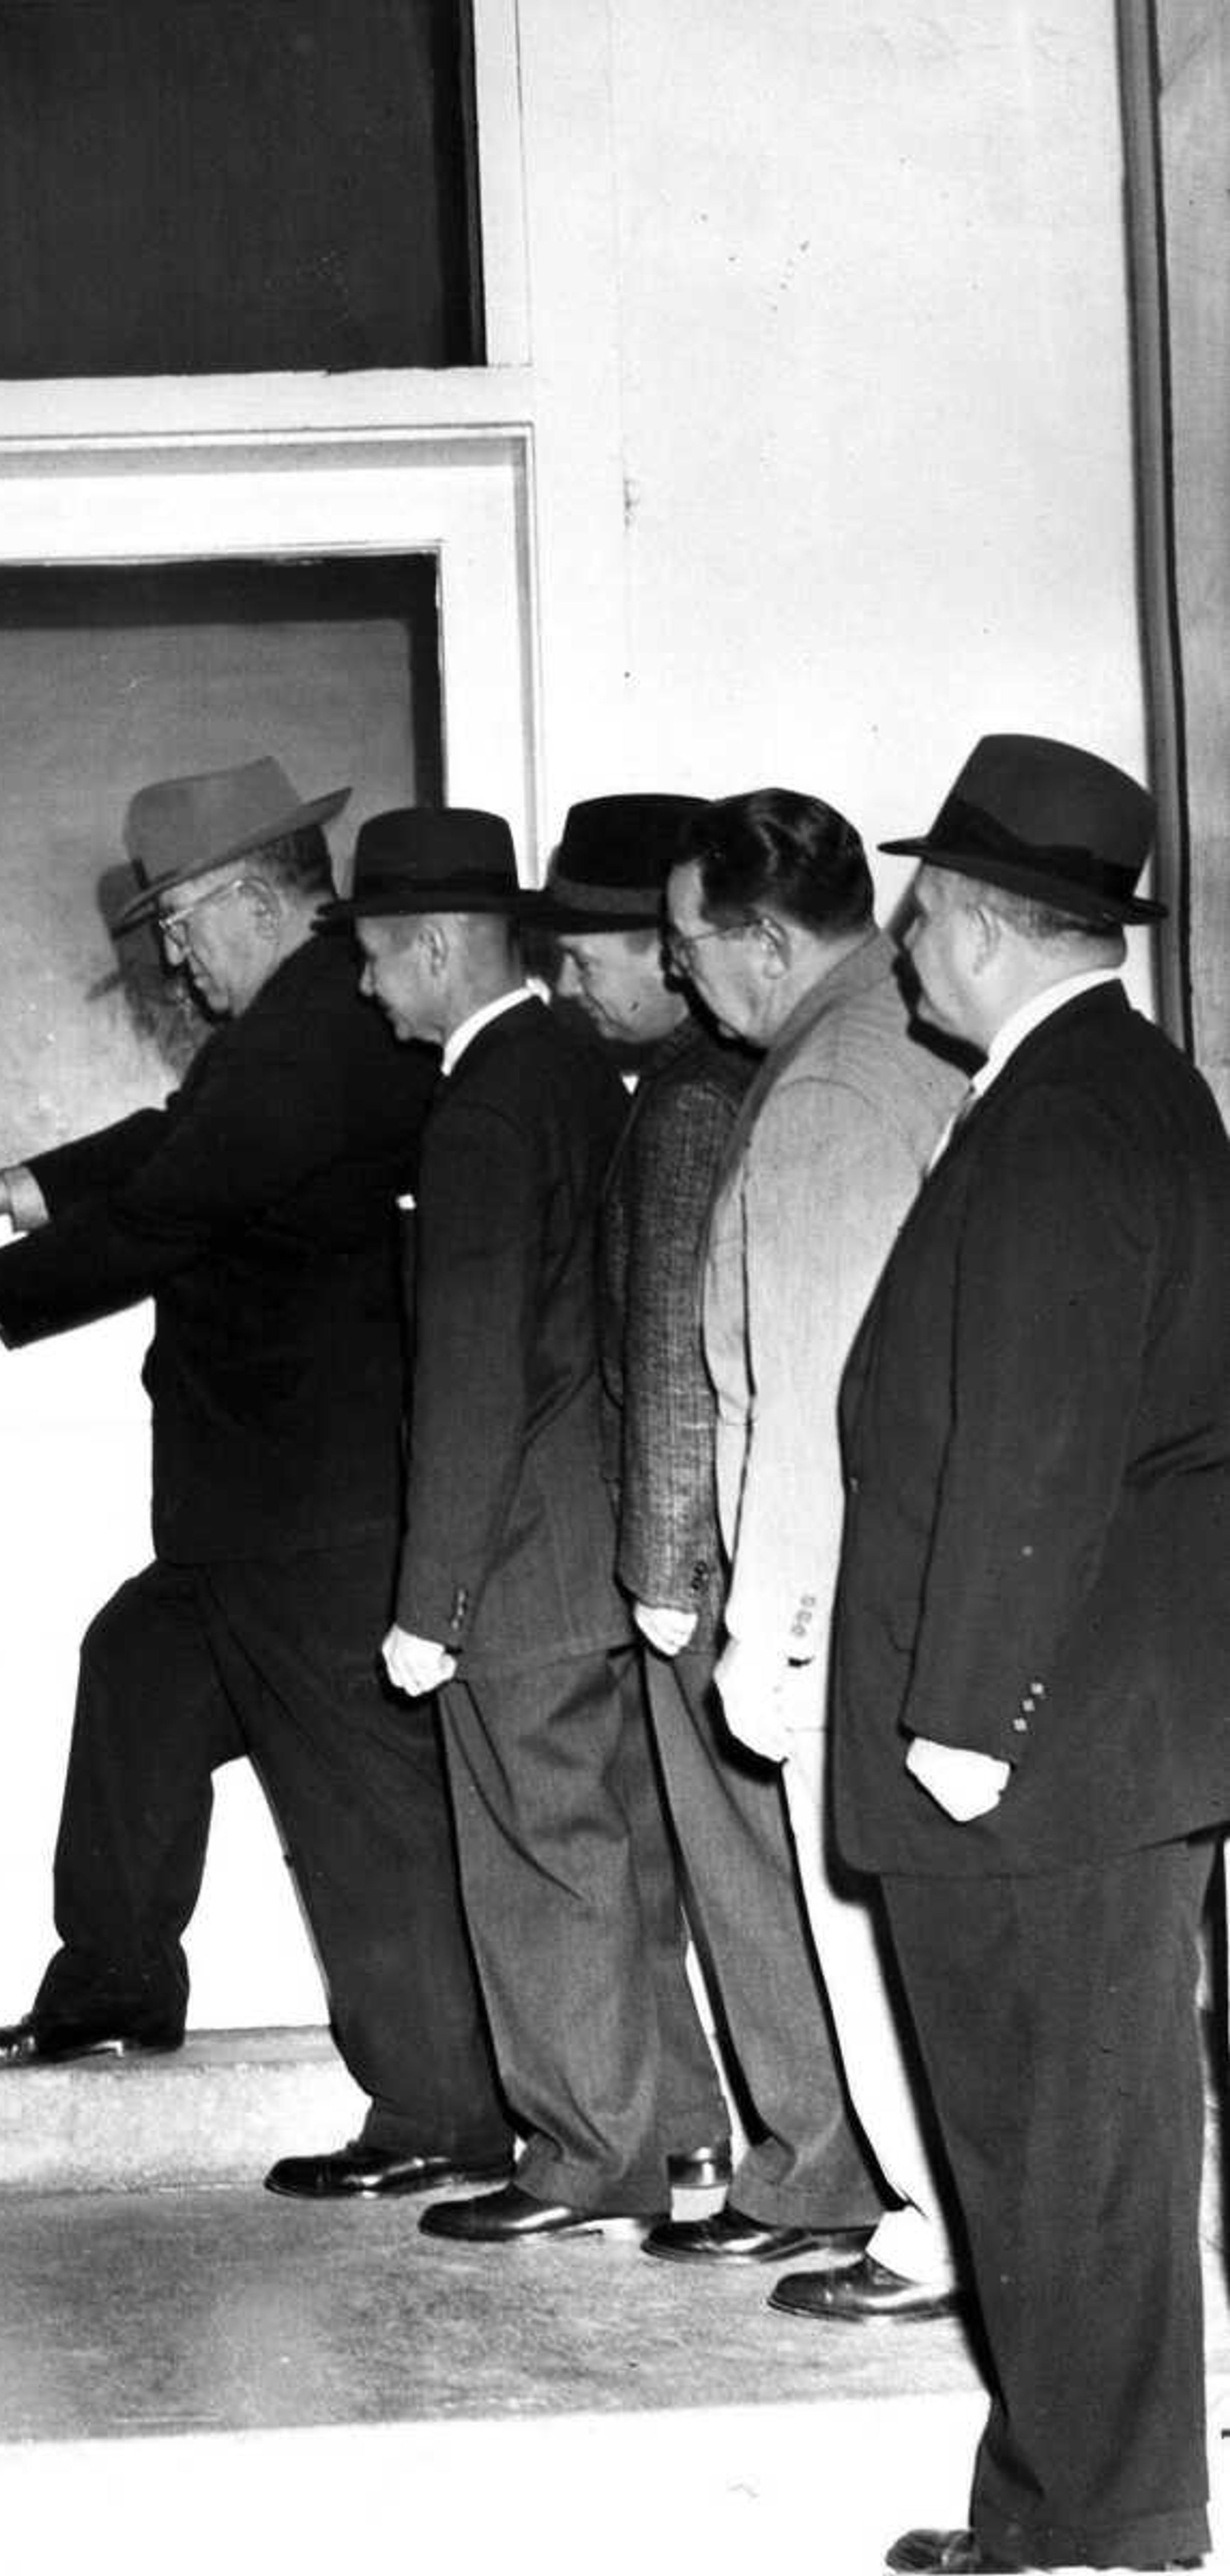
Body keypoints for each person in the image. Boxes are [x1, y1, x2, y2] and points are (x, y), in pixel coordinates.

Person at [0, 757, 512, 2201]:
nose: (170, 952)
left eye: (178, 920)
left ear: (248, 898)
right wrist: (11, 1188)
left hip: (314, 1512)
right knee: (142, 1675)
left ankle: (441, 2113)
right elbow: (179, 1141)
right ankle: (112, 1986)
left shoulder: (313, 1032)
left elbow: (180, 1200)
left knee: (353, 1805)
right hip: (260, 1508)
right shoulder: (301, 1021)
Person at [836, 737, 1229, 2576]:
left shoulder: (1066, 1111)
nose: (906, 949)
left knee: (1060, 2151)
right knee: (1065, 2149)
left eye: (923, 917)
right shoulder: (1116, 1084)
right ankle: (1079, 2508)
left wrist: (969, 1712)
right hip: (1092, 1724)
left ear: (982, 926)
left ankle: (1100, 2534)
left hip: (1043, 1733)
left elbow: (1043, 1431)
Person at [333, 805, 716, 2244]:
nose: (370, 989)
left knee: (540, 1856)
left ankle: (579, 2159)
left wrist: (431, 1604)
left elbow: (477, 1371)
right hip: (599, 1543)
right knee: (621, 1851)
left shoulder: (486, 1101)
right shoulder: (579, 1065)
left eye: (378, 959)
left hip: (520, 1558)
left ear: (436, 948)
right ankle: (674, 2133)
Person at [538, 793, 885, 2259]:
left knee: (750, 1879)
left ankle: (808, 2167)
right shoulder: (748, 1066)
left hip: (719, 1554)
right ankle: (805, 2155)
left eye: (661, 950)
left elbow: (694, 1354)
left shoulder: (695, 1100)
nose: (653, 979)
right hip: (758, 1544)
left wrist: (666, 1566)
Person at [646, 789, 968, 2320]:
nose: (677, 969)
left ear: (765, 940)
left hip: (842, 1590)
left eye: (689, 941)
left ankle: (932, 2226)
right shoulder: (903, 1041)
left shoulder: (830, 1089)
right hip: (924, 1573)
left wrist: (767, 1631)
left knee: (863, 1926)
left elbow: (811, 1393)